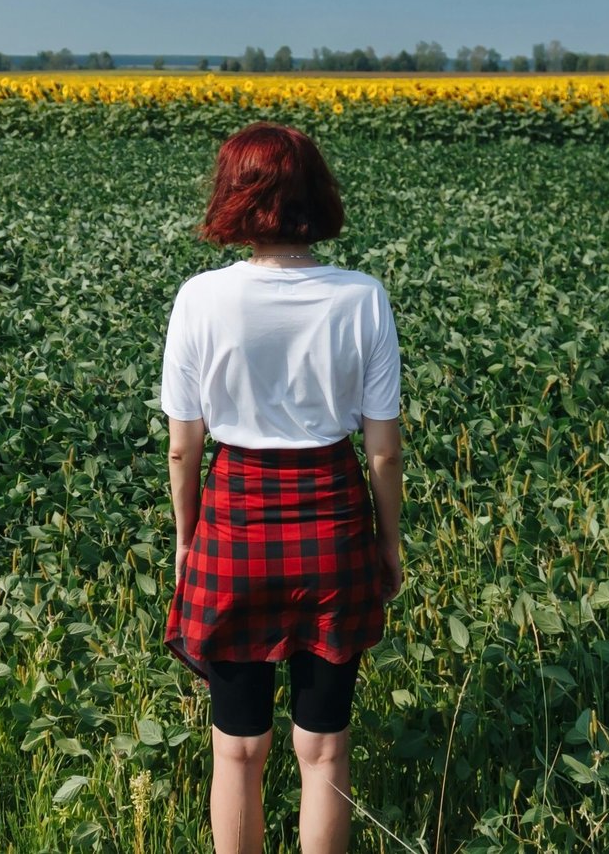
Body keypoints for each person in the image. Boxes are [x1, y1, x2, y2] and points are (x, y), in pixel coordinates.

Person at [161, 122, 405, 854]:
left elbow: (183, 447)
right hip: (333, 525)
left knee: (237, 749)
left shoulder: (201, 298)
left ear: (234, 196)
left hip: (234, 526)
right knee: (324, 748)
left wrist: (186, 541)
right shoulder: (363, 297)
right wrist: (386, 542)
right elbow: (384, 453)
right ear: (316, 196)